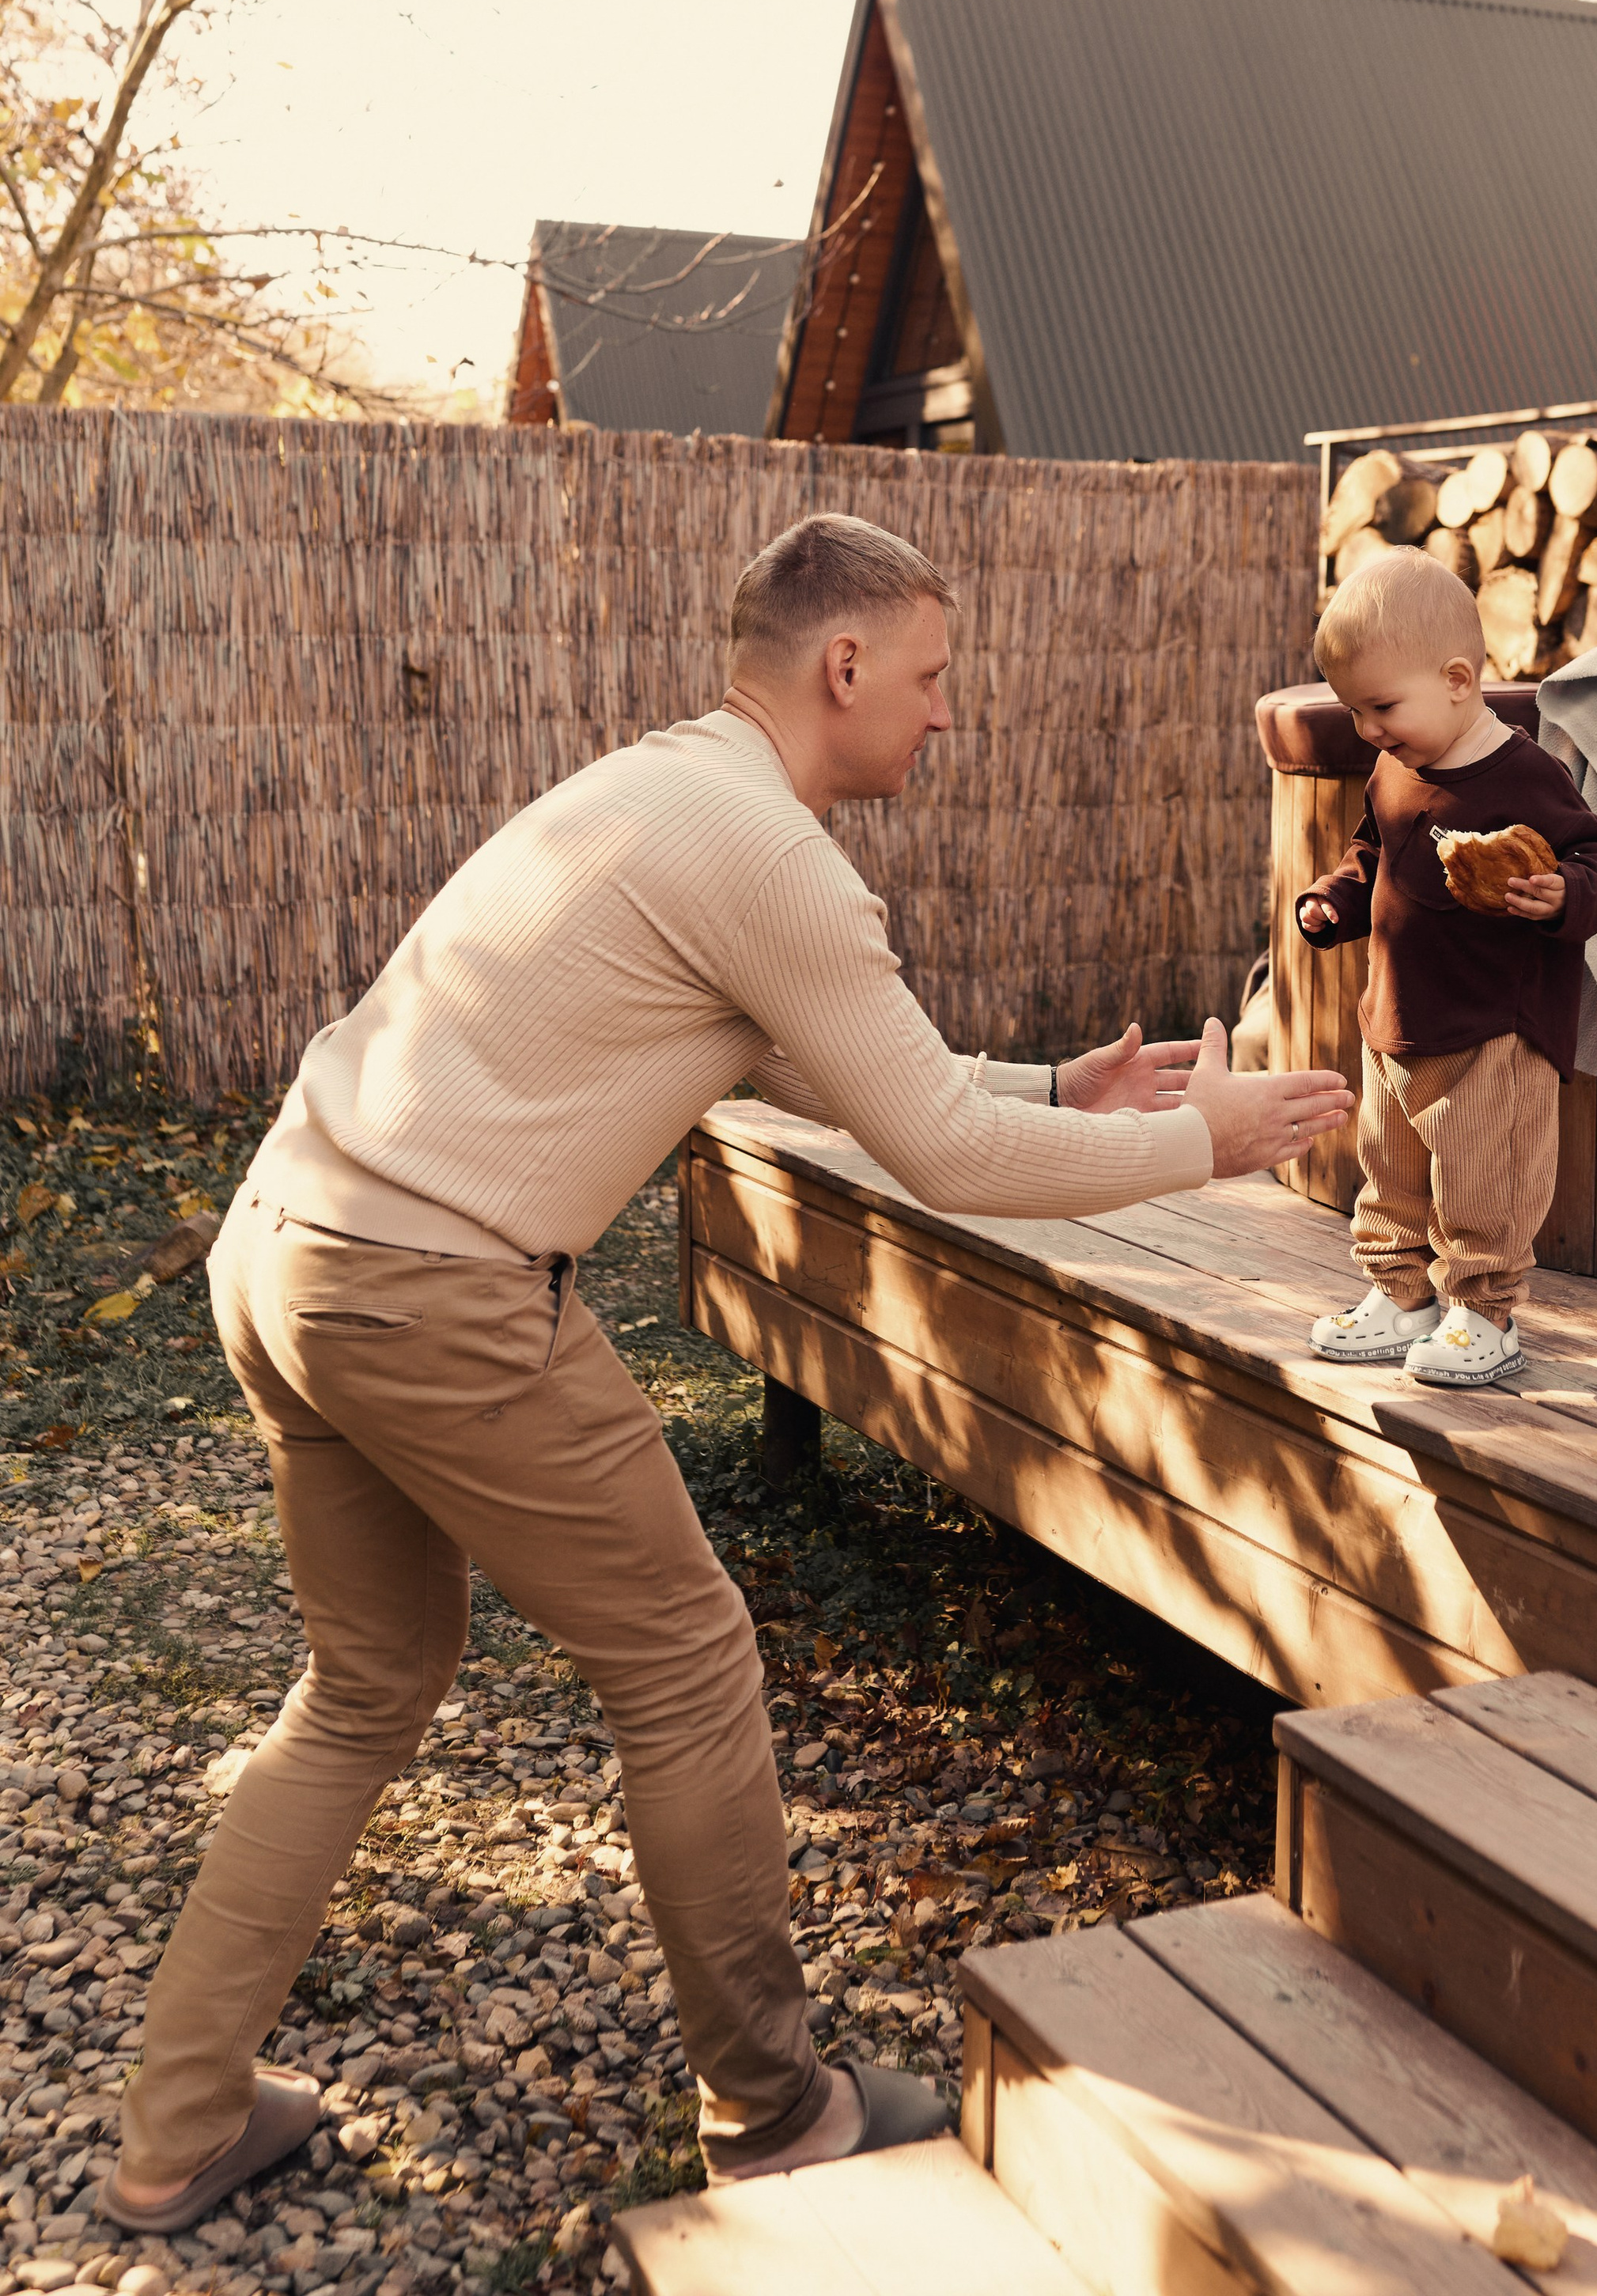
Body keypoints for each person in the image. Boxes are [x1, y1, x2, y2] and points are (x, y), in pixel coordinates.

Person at [105, 512, 1353, 2231]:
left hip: (290, 1248)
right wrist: (1203, 1144)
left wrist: (1069, 1090)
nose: (940, 716)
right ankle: (773, 2110)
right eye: (926, 679)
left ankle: (175, 2126)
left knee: (365, 1684)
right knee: (686, 1661)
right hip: (435, 1288)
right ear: (841, 665)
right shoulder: (765, 854)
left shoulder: (662, 793)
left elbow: (841, 1070)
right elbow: (942, 1157)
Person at [1296, 547, 1597, 1388]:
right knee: (1391, 1169)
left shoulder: (1523, 773)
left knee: (1485, 1175)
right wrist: (1335, 899)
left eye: (1380, 706)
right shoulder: (1394, 769)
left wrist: (1562, 895)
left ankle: (1482, 1312)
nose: (1368, 729)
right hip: (1397, 1017)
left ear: (1455, 678)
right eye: (1353, 710)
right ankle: (1400, 1293)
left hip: (1493, 1026)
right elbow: (1373, 850)